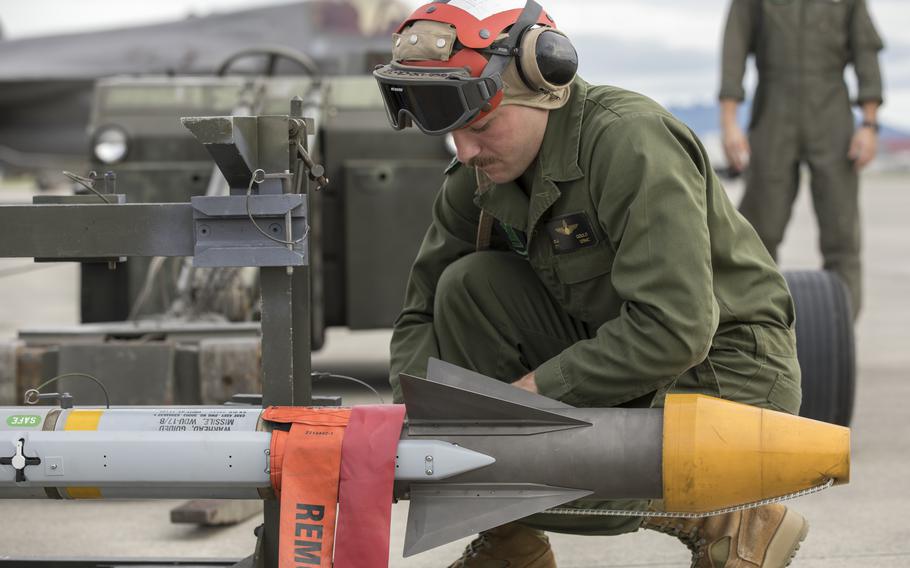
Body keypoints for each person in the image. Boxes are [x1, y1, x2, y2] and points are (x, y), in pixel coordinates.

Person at [375, 1, 805, 566]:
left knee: (495, 468)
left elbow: (675, 329)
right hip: (618, 359)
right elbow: (422, 314)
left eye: (479, 126)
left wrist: (528, 399)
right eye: (454, 134)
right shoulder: (478, 179)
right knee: (466, 288)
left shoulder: (630, 142)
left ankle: (728, 517)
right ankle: (512, 547)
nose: (467, 150)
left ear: (543, 89)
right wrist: (412, 425)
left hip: (724, 375)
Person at [720, 0, 884, 319]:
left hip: (832, 116)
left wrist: (869, 124)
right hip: (772, 114)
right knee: (756, 235)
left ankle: (840, 332)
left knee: (842, 237)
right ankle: (754, 332)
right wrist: (729, 123)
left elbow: (866, 51)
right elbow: (734, 47)